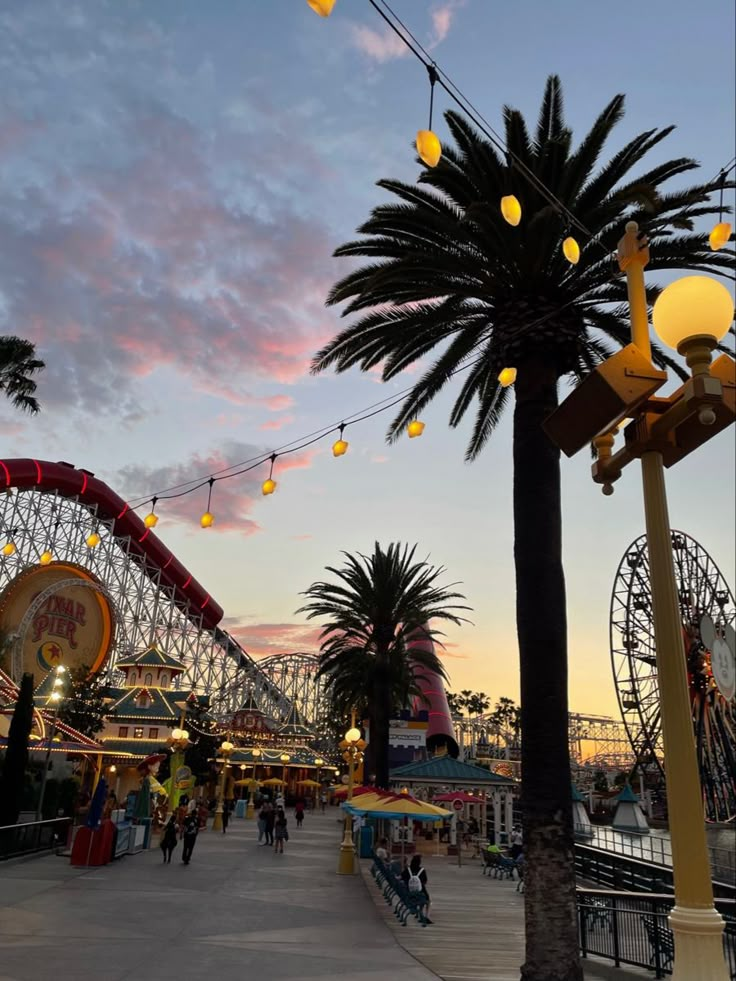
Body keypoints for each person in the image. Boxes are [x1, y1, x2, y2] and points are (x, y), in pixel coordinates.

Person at [401, 854, 431, 923]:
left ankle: (419, 914)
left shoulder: (408, 870)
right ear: (419, 862)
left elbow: (401, 877)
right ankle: (426, 916)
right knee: (428, 902)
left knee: (420, 899)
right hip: (421, 892)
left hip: (409, 892)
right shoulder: (422, 870)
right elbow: (425, 881)